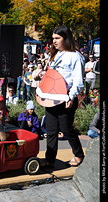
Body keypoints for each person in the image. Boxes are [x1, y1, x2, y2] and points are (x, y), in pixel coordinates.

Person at [41, 25, 85, 168]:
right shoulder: (55, 54)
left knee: (66, 128)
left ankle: (79, 154)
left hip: (66, 98)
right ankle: (50, 159)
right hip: (52, 97)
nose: (54, 41)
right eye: (53, 38)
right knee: (51, 130)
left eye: (57, 38)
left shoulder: (76, 56)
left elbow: (78, 81)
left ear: (65, 38)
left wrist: (71, 97)